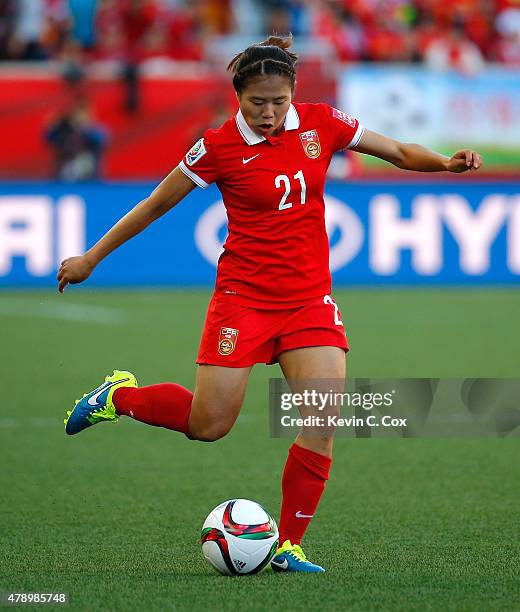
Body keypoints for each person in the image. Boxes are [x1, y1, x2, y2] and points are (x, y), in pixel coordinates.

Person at [58, 35, 482, 573]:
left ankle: (290, 544)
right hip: (244, 299)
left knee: (324, 417)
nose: (269, 112)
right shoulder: (216, 147)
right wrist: (91, 257)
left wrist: (445, 164)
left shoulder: (322, 122)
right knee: (209, 424)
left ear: (293, 93)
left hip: (308, 300)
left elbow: (397, 152)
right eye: (258, 102)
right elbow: (152, 206)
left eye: (279, 101)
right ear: (237, 96)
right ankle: (120, 398)